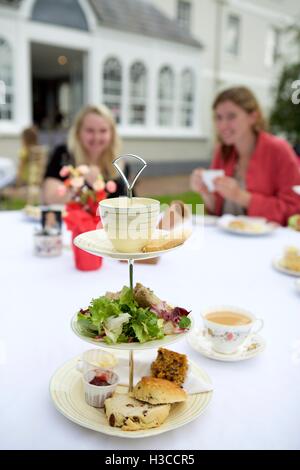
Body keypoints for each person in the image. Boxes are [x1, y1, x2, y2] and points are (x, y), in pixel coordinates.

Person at [190, 86, 300, 225]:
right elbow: (217, 212)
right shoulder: (223, 151)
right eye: (218, 117)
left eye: (231, 116)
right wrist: (205, 192)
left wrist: (241, 197)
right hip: (227, 240)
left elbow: (293, 210)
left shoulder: (279, 150)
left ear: (253, 117)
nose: (223, 125)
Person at [42, 104, 127, 204]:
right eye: (90, 131)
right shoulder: (63, 155)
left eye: (103, 131)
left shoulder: (119, 163)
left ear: (112, 133)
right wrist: (81, 182)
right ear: (78, 132)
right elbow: (50, 199)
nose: (96, 137)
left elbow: (131, 203)